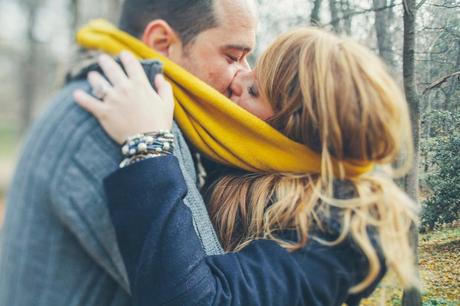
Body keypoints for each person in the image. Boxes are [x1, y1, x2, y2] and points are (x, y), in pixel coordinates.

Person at [75, 28, 420, 305]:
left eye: (254, 89)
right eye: (246, 64)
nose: (236, 79)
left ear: (294, 131)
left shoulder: (342, 231)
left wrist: (148, 145)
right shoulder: (247, 167)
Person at [0, 1, 257, 305]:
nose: (244, 75)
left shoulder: (105, 97)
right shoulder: (122, 119)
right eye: (233, 57)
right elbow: (205, 296)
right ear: (163, 43)